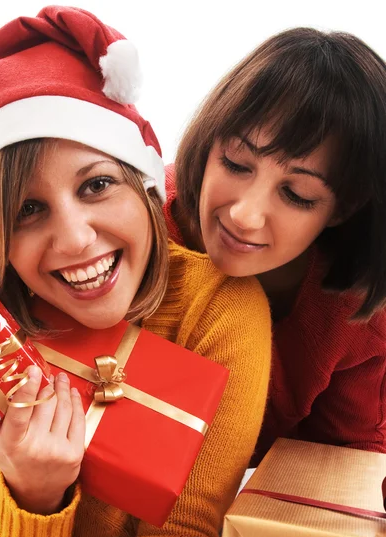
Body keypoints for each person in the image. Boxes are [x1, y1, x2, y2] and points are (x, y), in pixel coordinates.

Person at [0, 6, 271, 537]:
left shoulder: (219, 304)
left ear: (145, 186)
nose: (76, 239)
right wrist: (37, 494)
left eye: (96, 185)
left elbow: (185, 534)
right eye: (28, 210)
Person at [163, 27, 386, 466]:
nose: (245, 215)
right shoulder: (131, 221)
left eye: (298, 195)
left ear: (342, 209)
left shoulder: (355, 315)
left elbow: (349, 459)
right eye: (235, 162)